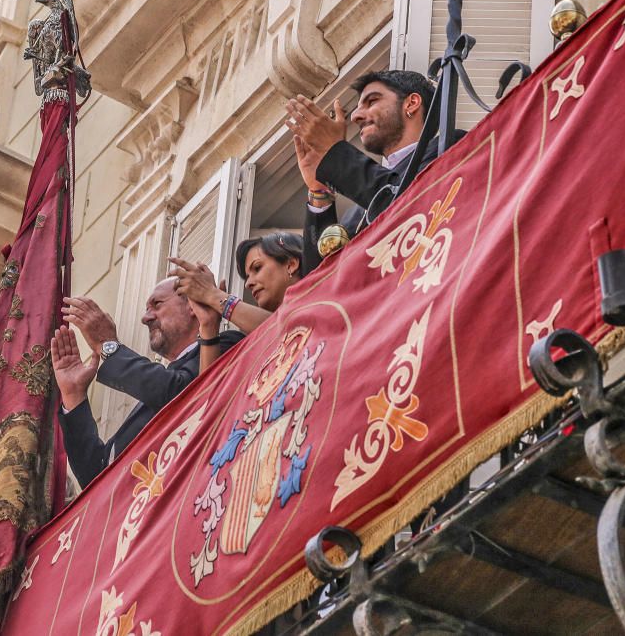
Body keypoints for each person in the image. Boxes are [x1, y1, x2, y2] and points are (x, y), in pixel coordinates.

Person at [52, 278, 244, 486]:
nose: (145, 318)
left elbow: (184, 396)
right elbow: (96, 476)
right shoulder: (153, 394)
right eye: (146, 309)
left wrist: (108, 345)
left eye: (157, 304)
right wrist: (74, 396)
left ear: (192, 305)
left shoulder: (226, 344)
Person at [285, 69, 461, 272]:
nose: (356, 116)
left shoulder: (450, 148)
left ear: (411, 103)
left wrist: (335, 153)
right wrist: (319, 191)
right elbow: (317, 280)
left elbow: (409, 207)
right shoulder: (357, 213)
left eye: (372, 101)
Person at [170, 232, 303, 371]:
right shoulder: (255, 346)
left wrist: (213, 295)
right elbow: (211, 392)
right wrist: (209, 326)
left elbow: (291, 328)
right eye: (246, 277)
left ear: (291, 264)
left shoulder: (323, 302)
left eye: (257, 268)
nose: (248, 284)